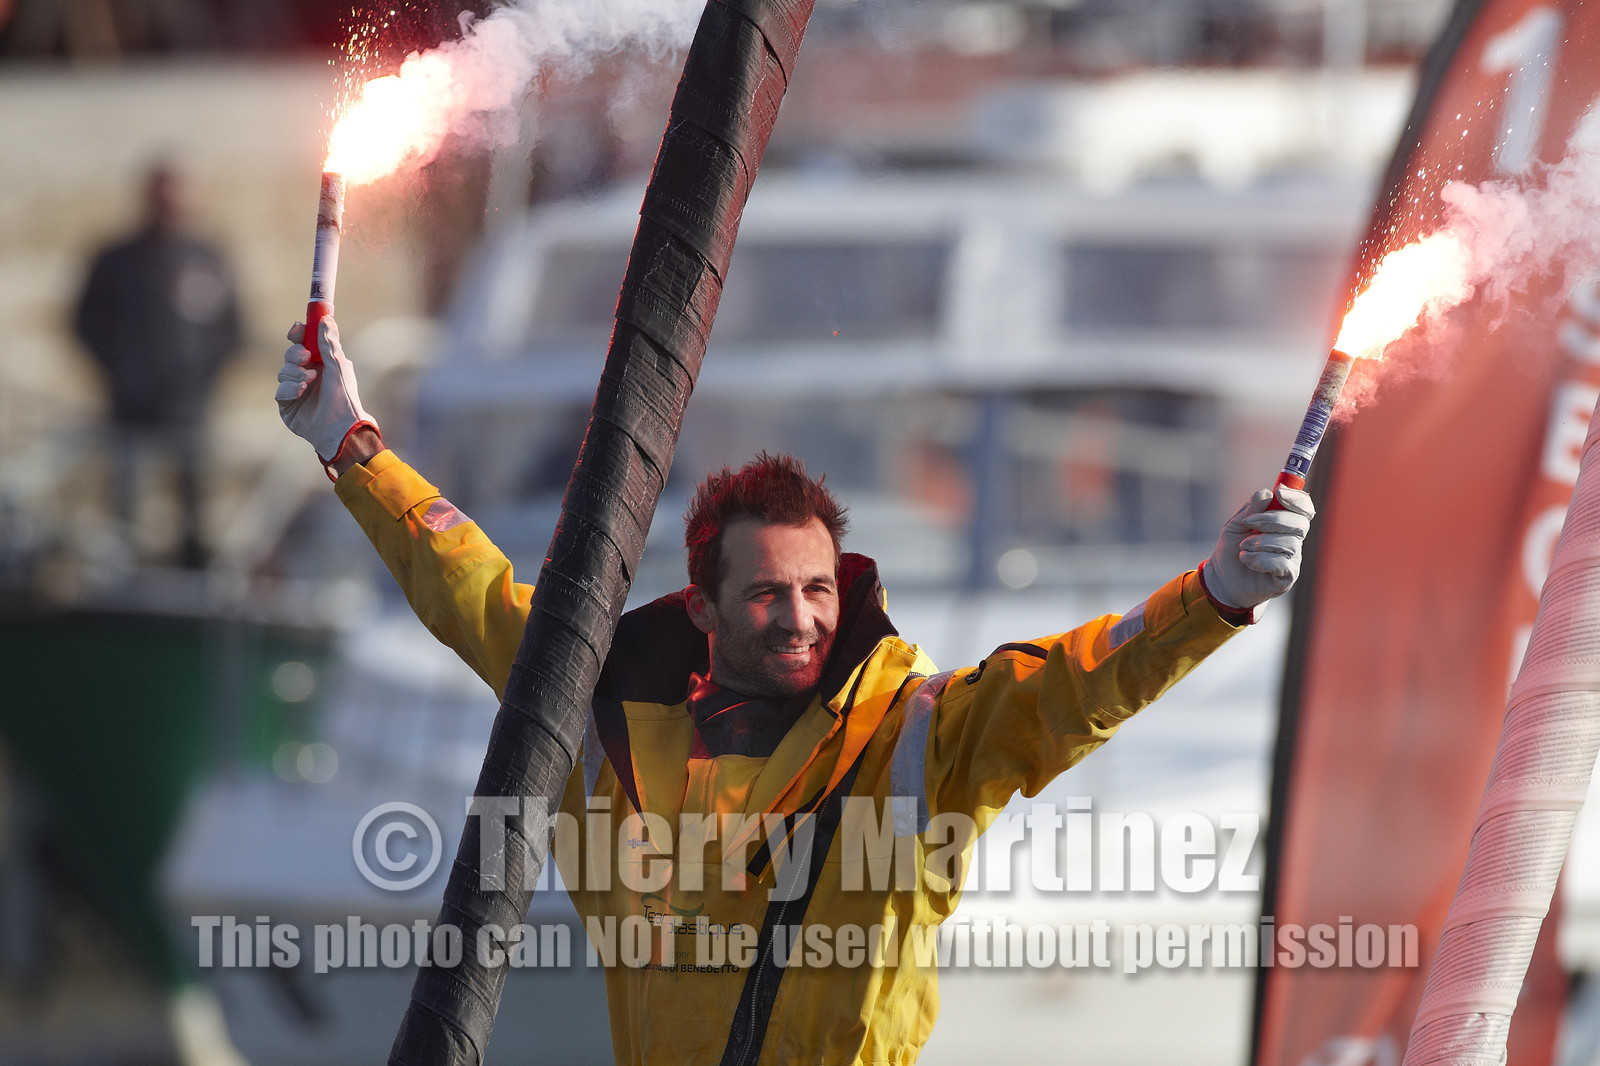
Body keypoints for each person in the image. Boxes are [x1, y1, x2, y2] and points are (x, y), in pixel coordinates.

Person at [277, 316, 1313, 1064]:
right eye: (767, 592)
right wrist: (348, 443)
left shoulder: (922, 731)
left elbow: (1079, 680)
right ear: (706, 611)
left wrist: (1215, 593)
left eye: (818, 587)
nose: (802, 614)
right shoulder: (604, 713)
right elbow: (476, 594)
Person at [75, 162, 241, 568]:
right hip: (130, 410)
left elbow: (232, 328)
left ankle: (193, 578)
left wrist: (204, 377)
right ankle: (123, 587)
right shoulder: (116, 260)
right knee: (124, 513)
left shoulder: (205, 257)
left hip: (189, 407)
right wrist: (119, 370)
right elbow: (84, 323)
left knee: (195, 508)